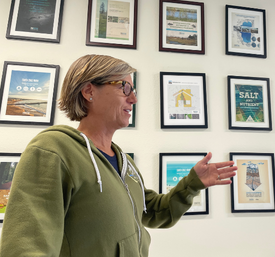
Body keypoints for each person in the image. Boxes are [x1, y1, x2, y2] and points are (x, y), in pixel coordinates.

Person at [0, 54, 237, 257]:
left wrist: (191, 184)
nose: (133, 98)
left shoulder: (125, 162)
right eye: (124, 87)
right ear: (89, 90)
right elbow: (27, 245)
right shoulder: (54, 150)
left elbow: (154, 212)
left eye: (132, 90)